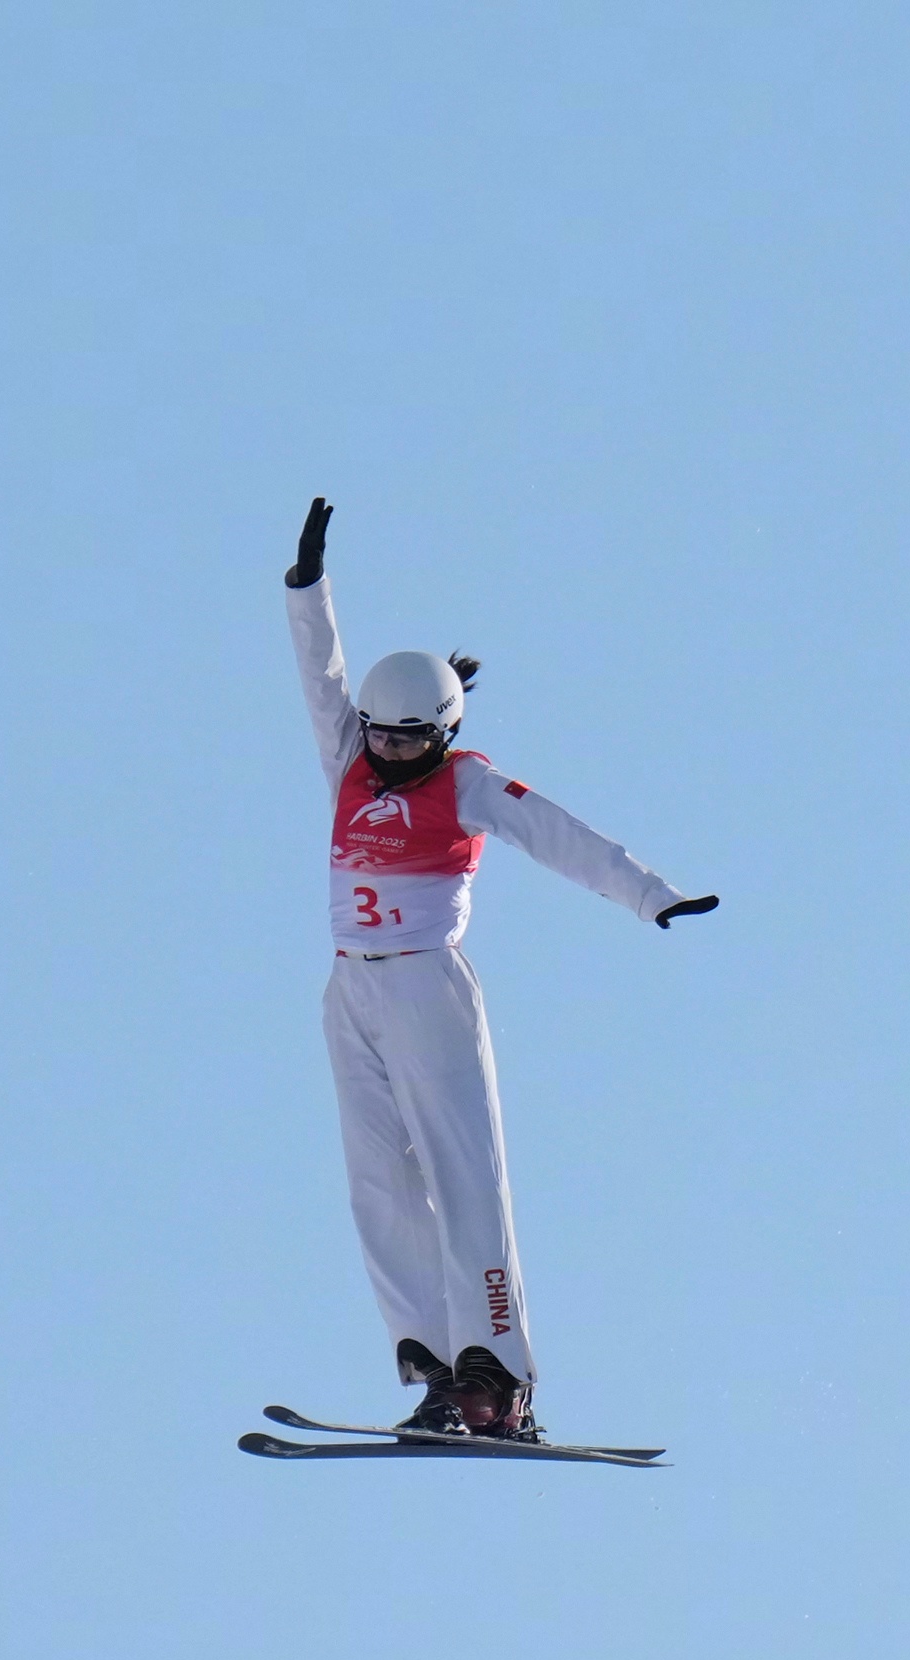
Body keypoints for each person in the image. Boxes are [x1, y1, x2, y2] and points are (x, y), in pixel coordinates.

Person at [282, 495, 717, 1439]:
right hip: (349, 986)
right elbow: (320, 676)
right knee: (375, 1180)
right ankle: (435, 1367)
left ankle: (500, 1379)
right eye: (380, 734)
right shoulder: (350, 757)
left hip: (425, 985)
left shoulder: (465, 781)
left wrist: (651, 894)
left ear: (439, 731)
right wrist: (306, 587)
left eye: (407, 739)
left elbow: (560, 835)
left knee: (462, 1174)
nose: (388, 752)